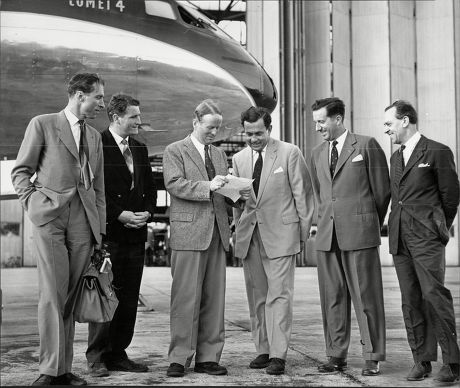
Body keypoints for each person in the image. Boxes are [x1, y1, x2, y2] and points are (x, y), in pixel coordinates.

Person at [11, 73, 106, 386]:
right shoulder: (43, 124)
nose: (102, 105)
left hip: (83, 221)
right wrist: (33, 204)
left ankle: (63, 369)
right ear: (80, 95)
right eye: (98, 98)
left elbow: (100, 189)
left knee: (71, 297)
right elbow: (21, 171)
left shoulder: (94, 136)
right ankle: (50, 370)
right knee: (52, 294)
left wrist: (99, 231)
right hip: (50, 217)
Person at [163, 99, 248, 378]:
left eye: (218, 128)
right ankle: (179, 357)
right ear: (195, 122)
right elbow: (174, 184)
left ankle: (209, 357)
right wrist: (207, 186)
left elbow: (220, 194)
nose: (214, 133)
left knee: (214, 300)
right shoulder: (175, 151)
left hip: (217, 234)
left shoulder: (220, 155)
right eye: (210, 127)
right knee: (185, 299)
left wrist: (237, 196)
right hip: (189, 234)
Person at [309, 97, 390, 376]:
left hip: (360, 234)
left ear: (338, 119)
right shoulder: (317, 153)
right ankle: (335, 355)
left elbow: (382, 192)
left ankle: (372, 355)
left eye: (321, 121)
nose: (318, 127)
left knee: (366, 297)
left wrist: (367, 222)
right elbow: (321, 195)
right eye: (315, 122)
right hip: (327, 236)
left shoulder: (366, 146)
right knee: (332, 298)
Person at [231, 106, 315, 375]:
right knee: (257, 297)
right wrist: (237, 230)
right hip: (250, 236)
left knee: (279, 296)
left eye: (258, 133)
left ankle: (278, 355)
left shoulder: (290, 152)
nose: (253, 138)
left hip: (282, 235)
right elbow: (237, 201)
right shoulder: (239, 158)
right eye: (248, 133)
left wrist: (302, 235)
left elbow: (303, 195)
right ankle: (263, 350)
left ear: (269, 129)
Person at [384, 100, 460, 383]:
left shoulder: (437, 151)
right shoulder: (395, 158)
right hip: (400, 238)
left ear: (405, 121)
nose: (386, 130)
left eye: (389, 124)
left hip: (426, 237)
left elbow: (451, 196)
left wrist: (436, 226)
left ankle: (452, 362)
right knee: (410, 299)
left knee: (434, 295)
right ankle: (422, 360)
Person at [86, 94, 156, 376]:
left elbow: (150, 188)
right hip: (110, 236)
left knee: (128, 298)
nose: (139, 121)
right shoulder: (97, 145)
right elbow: (92, 190)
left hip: (135, 236)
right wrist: (119, 215)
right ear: (116, 117)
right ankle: (97, 357)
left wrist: (147, 213)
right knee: (105, 296)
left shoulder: (139, 149)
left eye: (139, 116)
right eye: (134, 117)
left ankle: (119, 353)